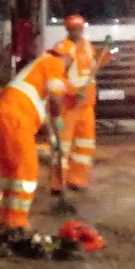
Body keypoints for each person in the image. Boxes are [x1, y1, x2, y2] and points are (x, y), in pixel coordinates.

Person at [0, 46, 71, 233]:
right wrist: (58, 119)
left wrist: (53, 138)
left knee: (13, 172)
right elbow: (56, 101)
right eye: (70, 63)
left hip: (3, 113)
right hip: (16, 116)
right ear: (65, 57)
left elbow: (45, 106)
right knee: (27, 169)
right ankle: (17, 223)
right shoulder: (55, 63)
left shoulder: (40, 66)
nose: (68, 69)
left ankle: (7, 220)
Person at [51, 15, 103, 192]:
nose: (77, 31)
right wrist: (73, 93)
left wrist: (105, 58)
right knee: (63, 146)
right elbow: (56, 77)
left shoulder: (88, 46)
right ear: (67, 29)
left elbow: (91, 70)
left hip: (86, 106)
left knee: (84, 145)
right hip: (69, 105)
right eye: (73, 28)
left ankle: (78, 180)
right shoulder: (62, 49)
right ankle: (58, 184)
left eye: (79, 28)